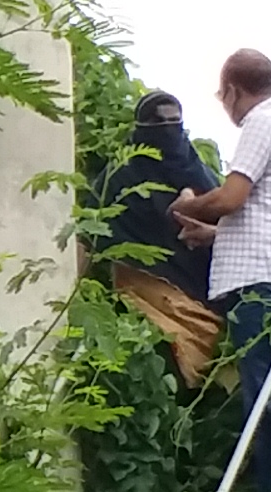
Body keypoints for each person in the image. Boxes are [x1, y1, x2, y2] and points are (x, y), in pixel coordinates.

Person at [172, 48, 271, 492]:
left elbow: (233, 196)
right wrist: (216, 235)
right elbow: (261, 215)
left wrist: (186, 205)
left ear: (234, 90)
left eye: (223, 95)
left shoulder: (261, 124)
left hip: (259, 285)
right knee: (267, 390)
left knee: (263, 397)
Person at [92, 89, 221, 376]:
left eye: (174, 122)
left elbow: (231, 226)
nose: (167, 130)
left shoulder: (200, 176)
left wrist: (196, 216)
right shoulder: (120, 177)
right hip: (144, 298)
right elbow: (90, 232)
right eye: (158, 122)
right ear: (141, 130)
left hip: (203, 297)